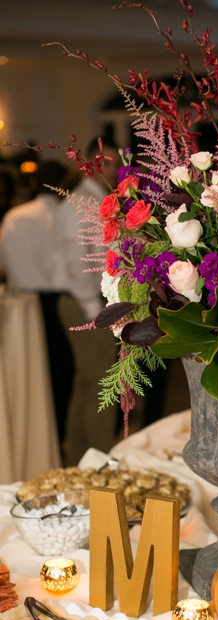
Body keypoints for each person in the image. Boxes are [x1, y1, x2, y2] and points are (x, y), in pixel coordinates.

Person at [0, 159, 75, 450]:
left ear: (33, 182)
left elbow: (2, 264)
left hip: (22, 305)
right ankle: (56, 437)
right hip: (61, 302)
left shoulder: (15, 217)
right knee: (63, 374)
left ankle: (32, 438)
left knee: (29, 373)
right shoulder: (68, 215)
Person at [54, 141, 121, 463]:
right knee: (101, 384)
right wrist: (96, 310)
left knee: (87, 382)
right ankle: (100, 462)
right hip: (84, 303)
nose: (116, 170)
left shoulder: (96, 201)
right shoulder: (80, 203)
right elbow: (76, 265)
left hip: (87, 301)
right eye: (110, 164)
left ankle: (81, 458)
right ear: (92, 166)